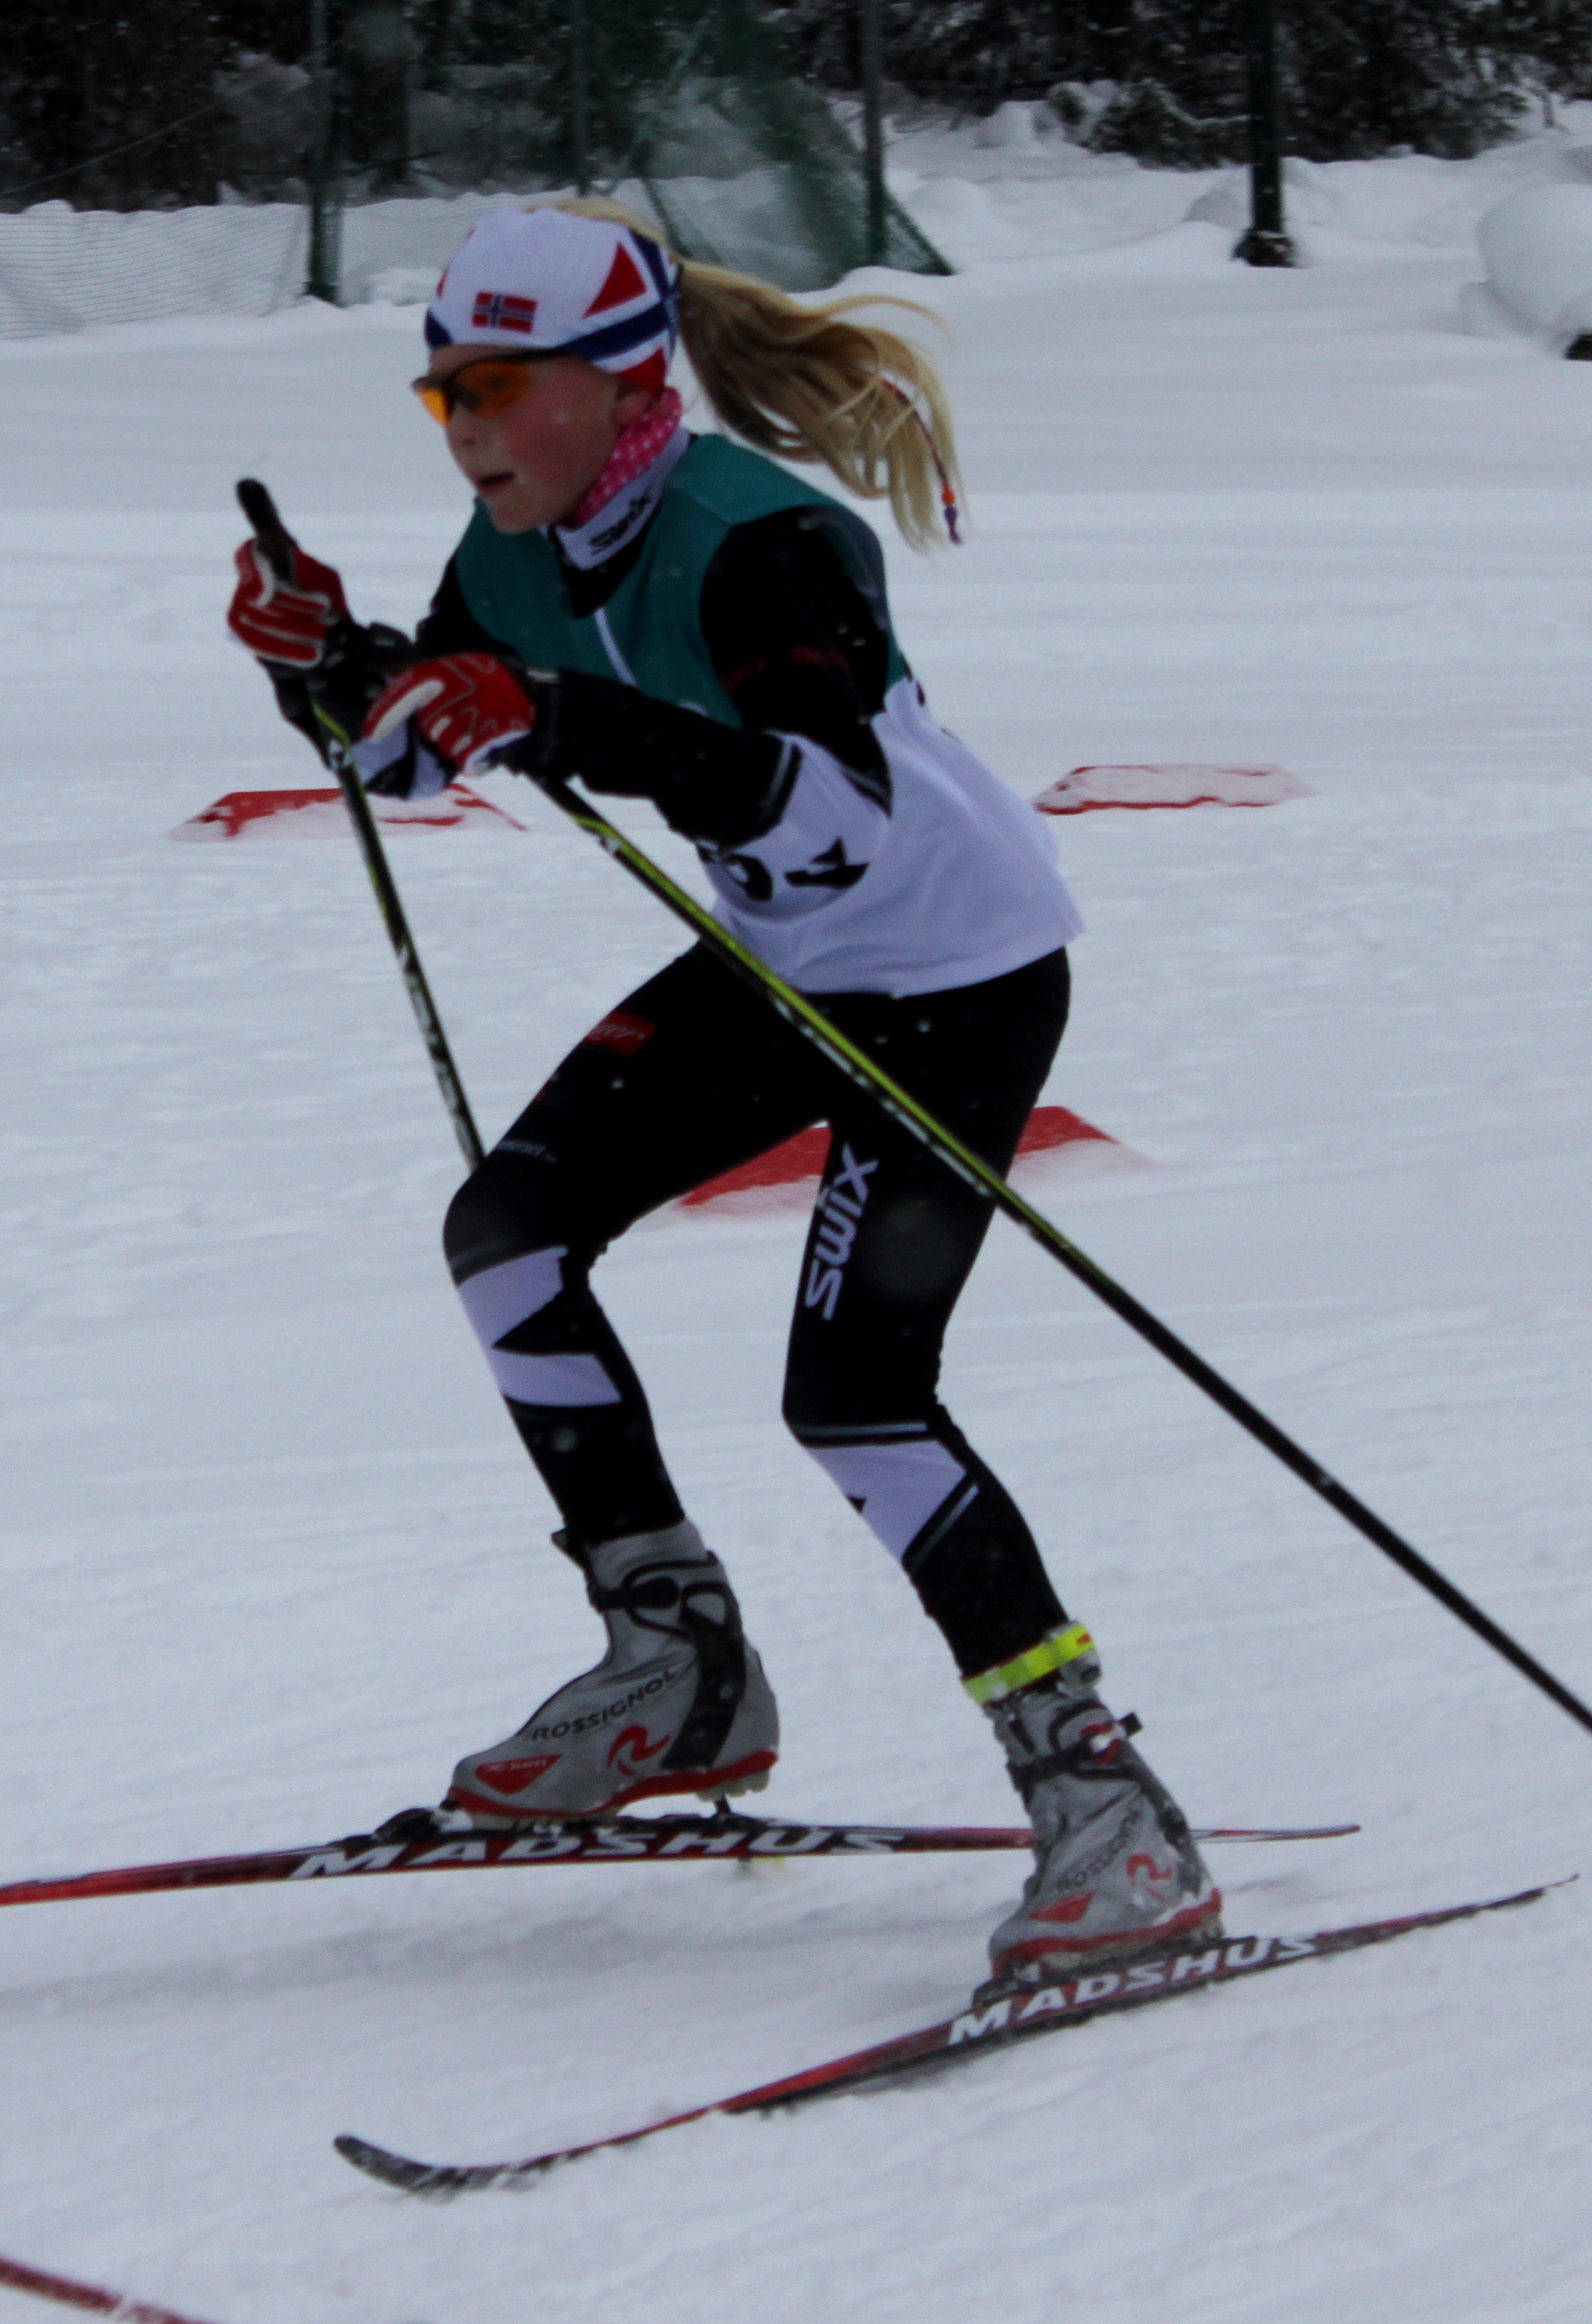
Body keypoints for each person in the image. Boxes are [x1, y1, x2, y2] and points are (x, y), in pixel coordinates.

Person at [224, 202, 1219, 1993]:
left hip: (957, 975)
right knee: (508, 1233)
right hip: (793, 967)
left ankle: (1102, 1798)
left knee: (854, 1397)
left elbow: (830, 815)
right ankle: (676, 1662)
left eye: (500, 389)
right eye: (444, 390)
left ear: (625, 391)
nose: (463, 426)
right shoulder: (517, 539)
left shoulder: (761, 548)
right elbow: (426, 745)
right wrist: (328, 665)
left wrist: (545, 711)